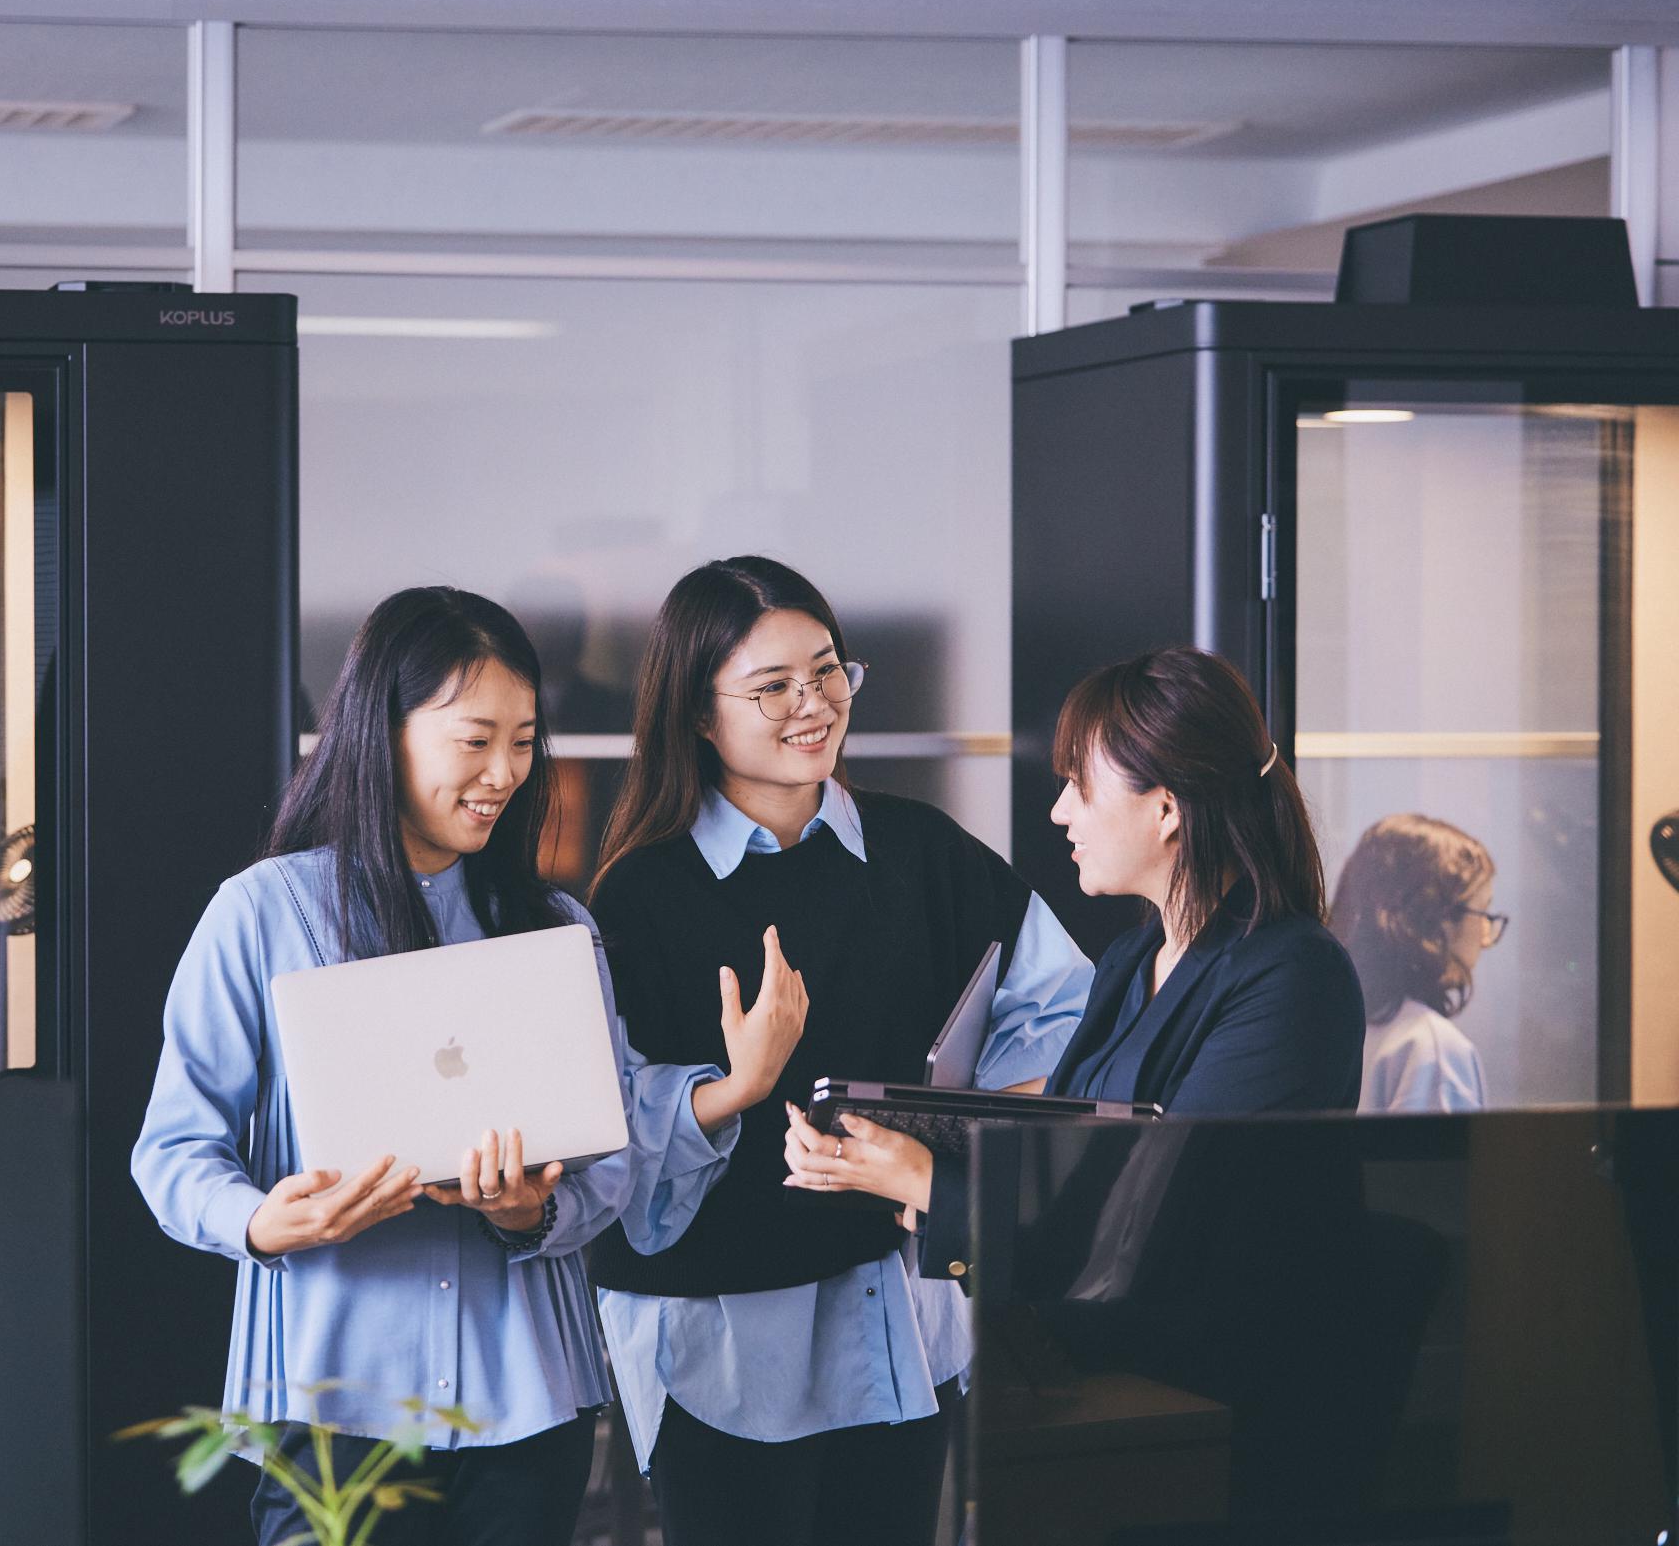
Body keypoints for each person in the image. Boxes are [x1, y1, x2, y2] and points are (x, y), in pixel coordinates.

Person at [131, 587, 795, 1546]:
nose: (505, 773)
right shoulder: (262, 912)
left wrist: (530, 1210)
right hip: (332, 1411)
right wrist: (260, 1220)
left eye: (524, 742)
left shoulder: (560, 930)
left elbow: (611, 1159)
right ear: (382, 732)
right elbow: (172, 1148)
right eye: (475, 739)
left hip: (528, 1410)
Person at [587, 557, 1090, 1546]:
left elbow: (1067, 1009)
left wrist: (964, 1120)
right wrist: (737, 1087)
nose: (812, 704)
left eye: (826, 671)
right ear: (697, 712)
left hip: (896, 1315)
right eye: (771, 686)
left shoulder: (923, 850)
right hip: (723, 1337)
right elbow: (608, 1133)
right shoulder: (639, 895)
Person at [791, 647, 1364, 1278]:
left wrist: (929, 1182)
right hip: (1102, 1353)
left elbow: (1175, 1220)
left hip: (1208, 1366)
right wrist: (896, 1143)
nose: (1061, 811)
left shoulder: (1294, 978)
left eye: (1080, 786)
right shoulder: (1130, 961)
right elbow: (1070, 1127)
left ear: (1167, 810)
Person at [1333, 813, 1499, 1112]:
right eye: (1483, 912)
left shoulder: (1341, 1026)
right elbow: (1434, 1160)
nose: (1486, 936)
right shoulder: (1432, 1048)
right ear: (1438, 918)